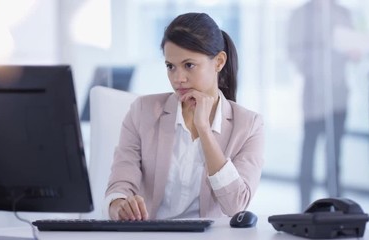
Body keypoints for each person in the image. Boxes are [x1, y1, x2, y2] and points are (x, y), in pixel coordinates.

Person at [103, 12, 264, 220]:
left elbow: (236, 206)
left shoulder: (249, 126)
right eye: (170, 66)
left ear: (219, 62)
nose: (178, 78)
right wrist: (119, 205)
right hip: (152, 235)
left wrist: (204, 130)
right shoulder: (142, 111)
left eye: (189, 65)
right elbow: (120, 183)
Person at [287, 0, 358, 211]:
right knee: (308, 153)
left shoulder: (343, 13)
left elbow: (353, 50)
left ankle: (337, 206)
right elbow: (294, 53)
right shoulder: (300, 15)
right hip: (313, 97)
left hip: (338, 96)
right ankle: (304, 207)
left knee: (335, 157)